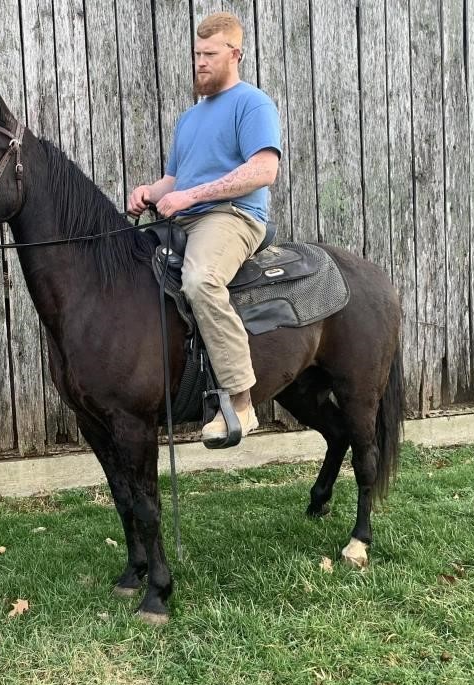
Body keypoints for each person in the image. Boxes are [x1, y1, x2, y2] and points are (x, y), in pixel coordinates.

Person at [128, 12, 281, 445]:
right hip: (184, 218)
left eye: (209, 54)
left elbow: (264, 170)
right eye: (197, 54)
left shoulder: (253, 104)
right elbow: (175, 181)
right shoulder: (189, 119)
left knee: (200, 281)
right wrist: (148, 192)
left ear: (235, 54)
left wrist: (191, 198)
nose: (200, 62)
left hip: (232, 216)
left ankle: (241, 401)